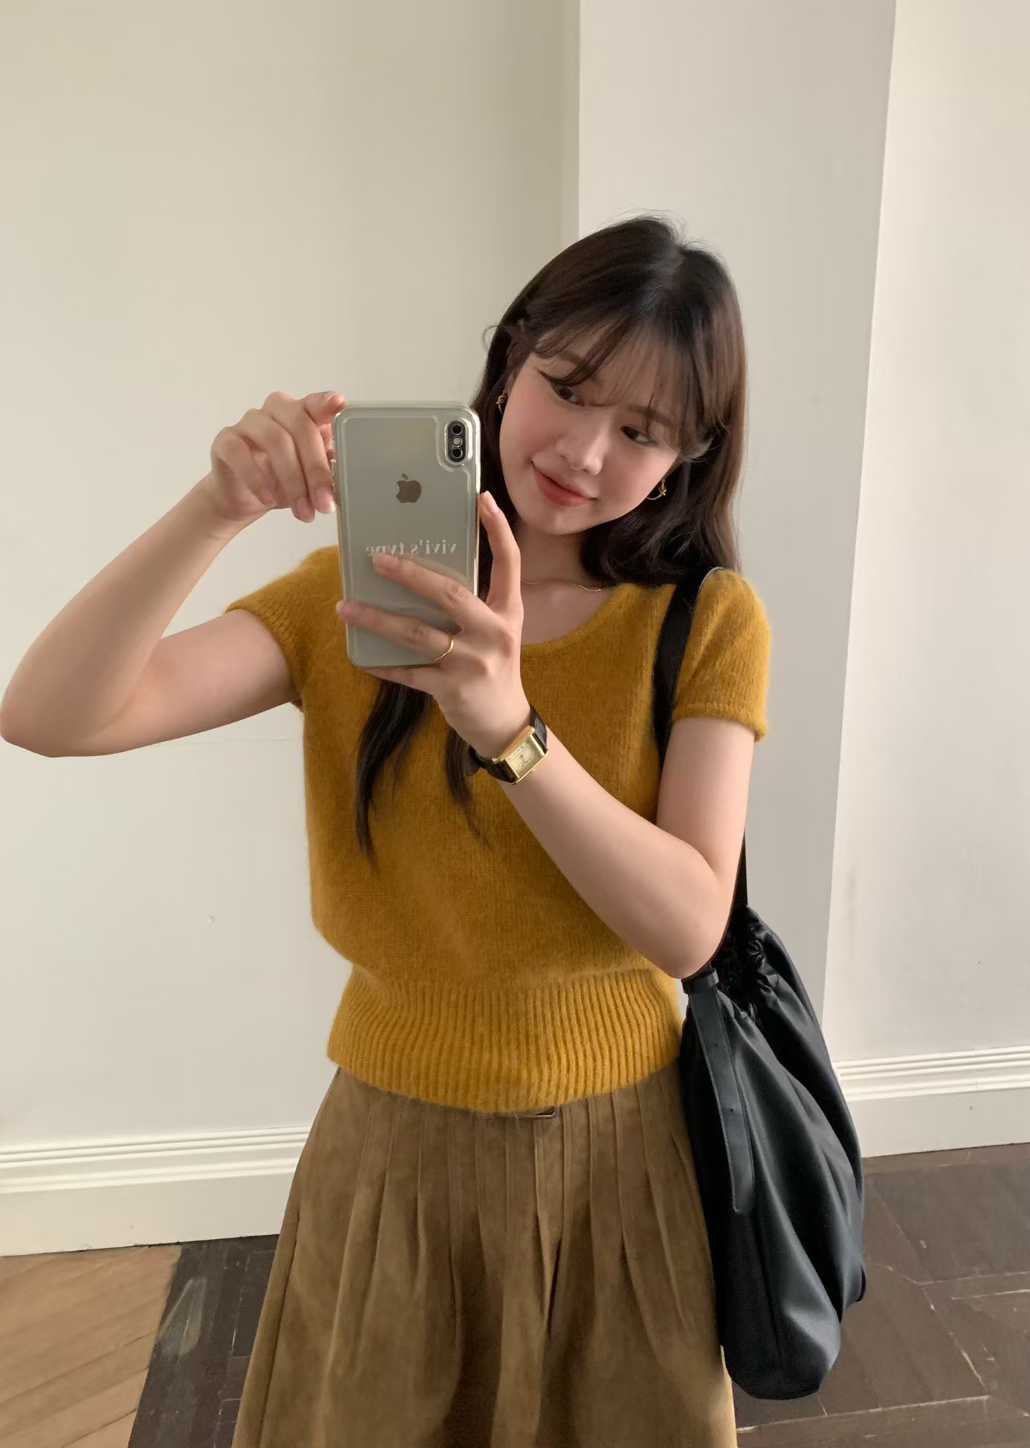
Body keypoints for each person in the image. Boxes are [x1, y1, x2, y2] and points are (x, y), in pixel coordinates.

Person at [1, 213, 770, 1445]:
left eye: (642, 429)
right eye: (568, 387)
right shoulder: (360, 600)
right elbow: (49, 714)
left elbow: (689, 926)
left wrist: (508, 725)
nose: (583, 449)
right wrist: (216, 506)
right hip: (393, 1157)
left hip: (624, 1165)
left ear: (690, 456)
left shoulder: (707, 620)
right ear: (510, 360)